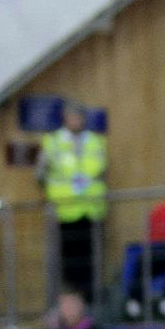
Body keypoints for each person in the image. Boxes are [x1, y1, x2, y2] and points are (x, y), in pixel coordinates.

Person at [38, 104, 108, 296]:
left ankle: (90, 298)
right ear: (65, 118)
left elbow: (102, 170)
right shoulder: (53, 142)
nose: (75, 120)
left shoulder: (94, 141)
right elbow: (41, 174)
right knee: (68, 261)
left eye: (78, 117)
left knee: (91, 258)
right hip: (65, 211)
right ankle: (72, 298)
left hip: (91, 210)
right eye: (71, 116)